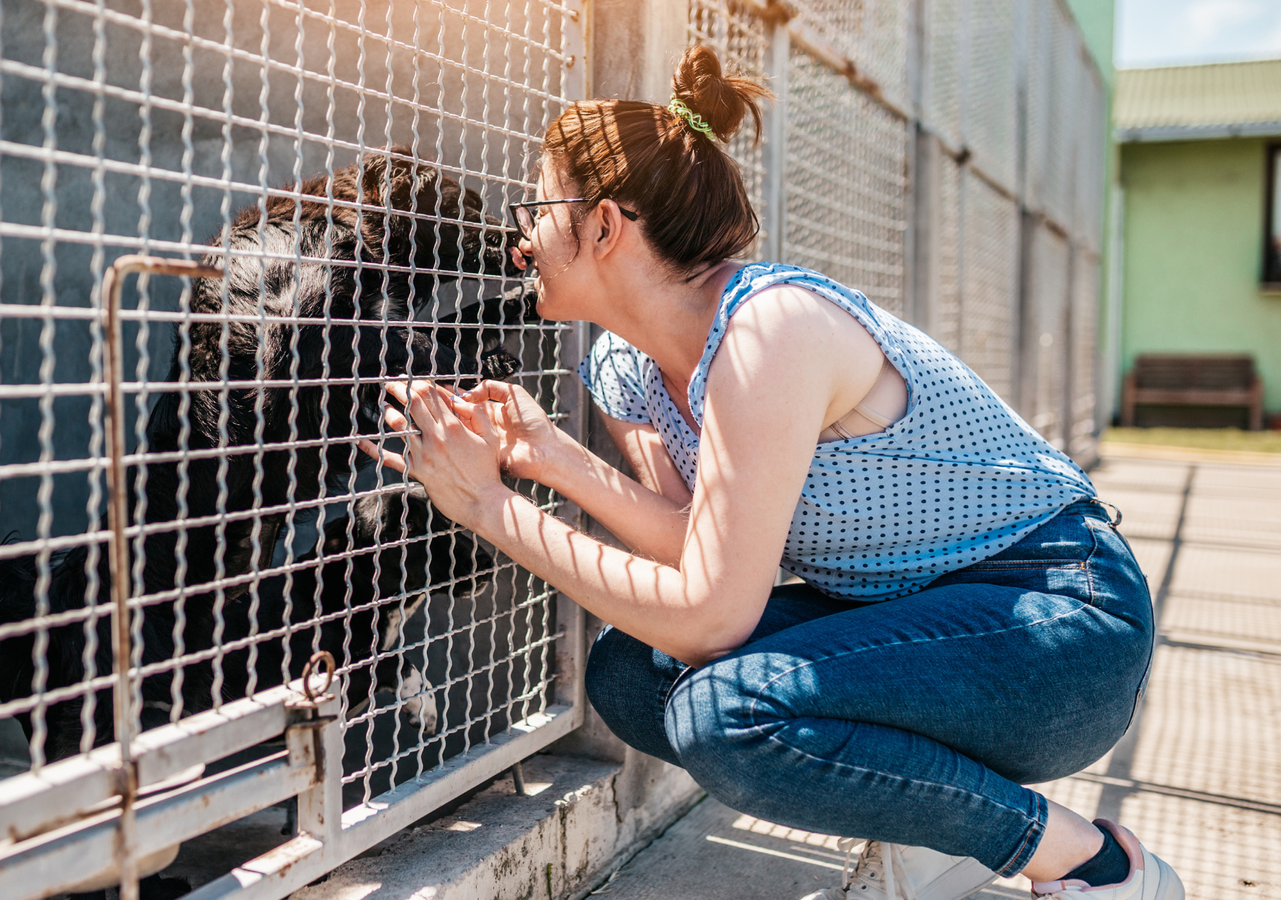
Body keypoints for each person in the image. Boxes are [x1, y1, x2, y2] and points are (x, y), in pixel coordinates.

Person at [358, 45, 1181, 900]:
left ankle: (1095, 866)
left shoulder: (770, 330)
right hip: (913, 620)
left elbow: (712, 618)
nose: (521, 235)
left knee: (726, 712)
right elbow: (690, 555)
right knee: (631, 675)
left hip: (1061, 623)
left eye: (538, 205)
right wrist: (543, 455)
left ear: (604, 225)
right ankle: (944, 843)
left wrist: (491, 508)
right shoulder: (626, 369)